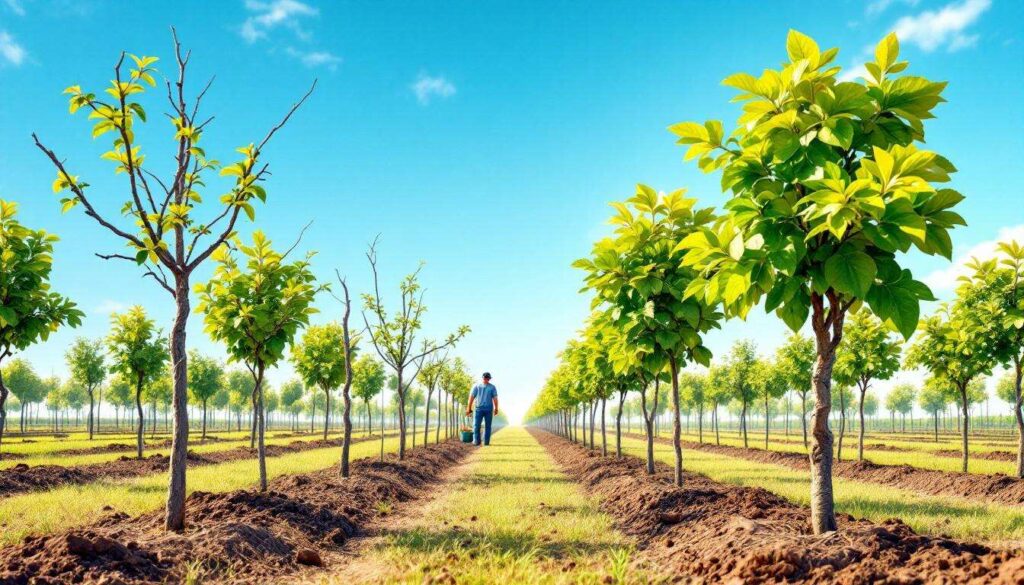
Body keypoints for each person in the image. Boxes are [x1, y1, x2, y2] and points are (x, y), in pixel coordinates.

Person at [466, 372, 499, 446]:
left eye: (487, 378)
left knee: (488, 426)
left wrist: (496, 408)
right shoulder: (477, 386)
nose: (486, 379)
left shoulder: (492, 387)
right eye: (485, 378)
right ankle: (476, 441)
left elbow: (495, 398)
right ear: (483, 378)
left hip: (488, 409)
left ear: (489, 379)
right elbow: (472, 397)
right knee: (476, 425)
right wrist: (469, 407)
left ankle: (486, 442)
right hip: (478, 409)